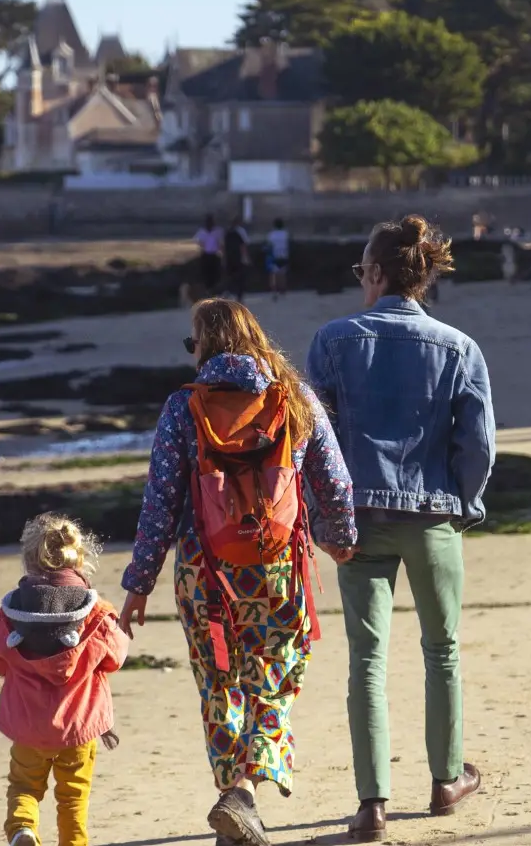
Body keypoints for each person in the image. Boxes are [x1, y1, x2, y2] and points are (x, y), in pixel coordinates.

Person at [120, 299, 357, 846]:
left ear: (205, 345)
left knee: (218, 684)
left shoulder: (183, 407)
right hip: (277, 570)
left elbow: (159, 504)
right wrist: (341, 538)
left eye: (193, 343)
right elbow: (335, 481)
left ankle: (235, 798)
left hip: (204, 572)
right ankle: (247, 792)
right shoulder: (294, 397)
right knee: (276, 676)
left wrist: (139, 584)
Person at [306, 215, 494, 842]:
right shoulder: (458, 347)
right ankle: (446, 780)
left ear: (378, 273)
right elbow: (478, 445)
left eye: (362, 269)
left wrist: (322, 514)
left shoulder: (332, 341)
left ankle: (372, 805)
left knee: (367, 660)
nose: (361, 278)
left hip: (357, 518)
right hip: (433, 513)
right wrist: (465, 504)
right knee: (442, 649)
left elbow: (314, 441)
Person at [0, 513, 130, 846]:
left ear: (28, 560)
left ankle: (22, 830)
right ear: (79, 558)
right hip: (79, 727)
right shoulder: (96, 613)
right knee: (73, 797)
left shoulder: (10, 613)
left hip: (27, 726)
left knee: (24, 786)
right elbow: (115, 657)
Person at [193, 215, 224, 300]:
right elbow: (199, 242)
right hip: (206, 255)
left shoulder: (217, 231)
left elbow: (220, 243)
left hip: (214, 255)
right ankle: (208, 291)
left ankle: (215, 291)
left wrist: (222, 253)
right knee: (206, 274)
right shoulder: (202, 232)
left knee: (216, 274)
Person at [222, 220, 251, 301]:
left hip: (229, 259)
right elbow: (243, 246)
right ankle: (238, 295)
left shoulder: (227, 234)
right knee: (239, 278)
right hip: (237, 259)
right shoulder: (237, 234)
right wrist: (245, 257)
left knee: (230, 277)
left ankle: (229, 292)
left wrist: (224, 259)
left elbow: (223, 247)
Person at [266, 219, 291, 299]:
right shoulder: (286, 234)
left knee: (273, 274)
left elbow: (269, 245)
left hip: (274, 256)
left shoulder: (271, 234)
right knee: (282, 274)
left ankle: (274, 291)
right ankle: (282, 290)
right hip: (284, 255)